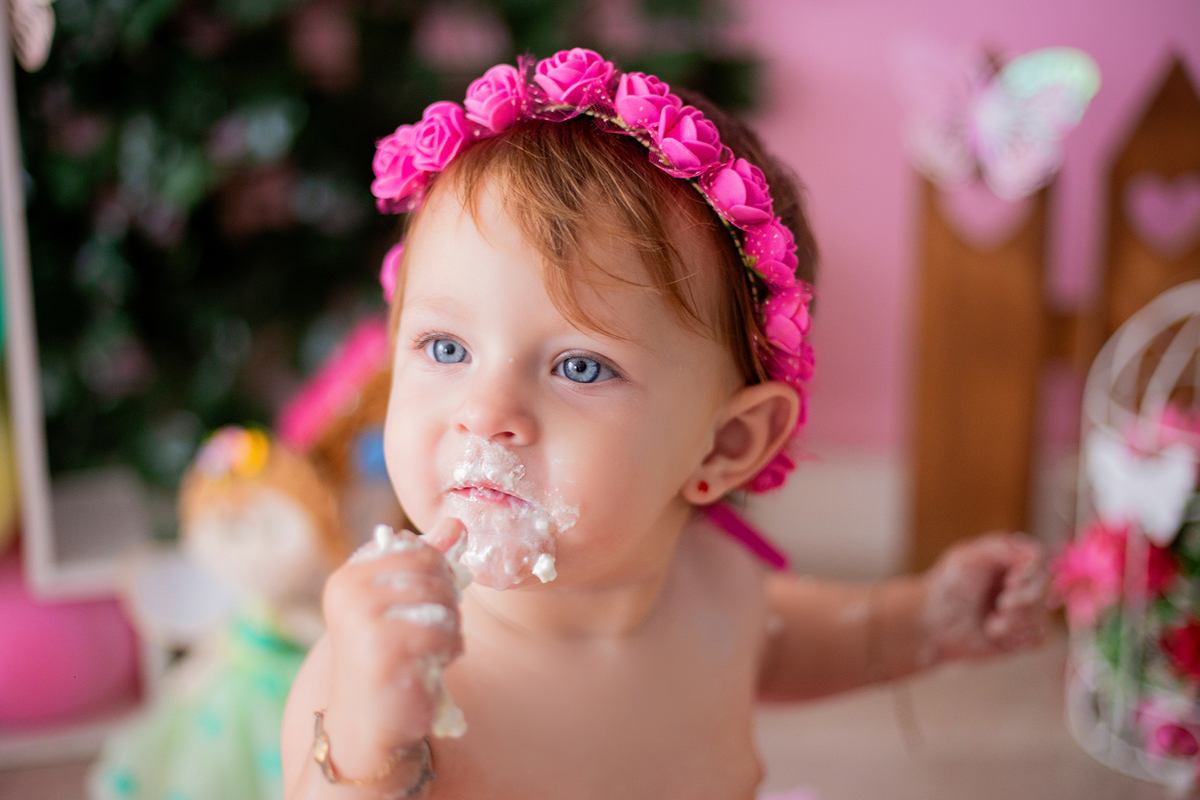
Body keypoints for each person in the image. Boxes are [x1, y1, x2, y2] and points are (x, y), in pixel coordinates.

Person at [281, 49, 1048, 800]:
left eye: (579, 367)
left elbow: (826, 642)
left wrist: (926, 621)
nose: (485, 414)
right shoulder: (376, 676)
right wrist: (362, 749)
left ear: (726, 444)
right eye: (446, 348)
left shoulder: (720, 589)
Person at [91, 426, 348, 800]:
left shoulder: (298, 611)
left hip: (295, 693)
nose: (255, 546)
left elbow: (324, 638)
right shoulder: (235, 611)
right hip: (230, 702)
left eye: (272, 527)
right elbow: (215, 648)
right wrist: (183, 685)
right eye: (234, 529)